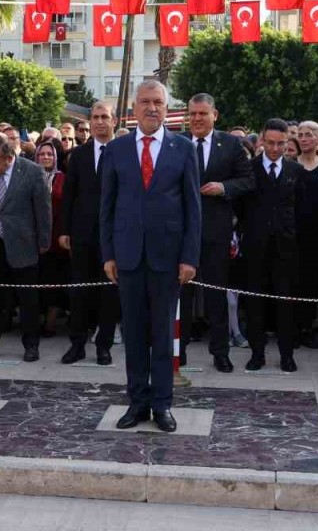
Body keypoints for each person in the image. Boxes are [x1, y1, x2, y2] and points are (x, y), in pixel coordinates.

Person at [100, 80, 201, 433]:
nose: (152, 108)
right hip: (127, 258)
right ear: (133, 107)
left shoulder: (183, 148)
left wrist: (189, 257)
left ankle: (162, 405)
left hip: (167, 259)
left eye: (158, 102)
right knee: (134, 333)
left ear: (166, 106)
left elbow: (193, 207)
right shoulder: (117, 149)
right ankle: (137, 403)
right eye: (145, 102)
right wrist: (108, 253)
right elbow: (107, 208)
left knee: (162, 334)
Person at [180, 93, 253, 373]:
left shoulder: (231, 144)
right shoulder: (178, 142)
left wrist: (224, 188)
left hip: (216, 232)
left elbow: (248, 180)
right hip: (183, 232)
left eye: (203, 113)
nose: (197, 119)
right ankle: (179, 349)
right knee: (182, 295)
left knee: (216, 296)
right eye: (193, 114)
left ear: (215, 115)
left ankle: (220, 352)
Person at [0, 135, 51, 361]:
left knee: (27, 299)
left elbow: (43, 210)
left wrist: (43, 241)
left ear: (9, 158)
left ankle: (31, 345)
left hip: (23, 244)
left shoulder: (31, 172)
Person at [241, 119, 304, 372]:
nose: (275, 148)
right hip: (256, 247)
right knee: (255, 302)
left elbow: (301, 208)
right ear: (261, 142)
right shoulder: (249, 169)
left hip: (286, 248)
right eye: (270, 143)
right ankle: (257, 354)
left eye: (281, 143)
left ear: (287, 142)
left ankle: (287, 355)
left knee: (285, 303)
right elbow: (242, 206)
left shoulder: (294, 170)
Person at [59, 101, 119, 366]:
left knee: (109, 293)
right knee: (80, 291)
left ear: (114, 121)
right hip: (82, 235)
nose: (99, 122)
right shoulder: (80, 155)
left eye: (104, 117)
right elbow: (69, 195)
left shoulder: (124, 152)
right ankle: (77, 344)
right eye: (95, 117)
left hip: (115, 235)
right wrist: (65, 230)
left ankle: (103, 345)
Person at [294, 121, 318, 348]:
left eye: (308, 134)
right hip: (295, 232)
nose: (304, 138)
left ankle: (308, 327)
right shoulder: (292, 165)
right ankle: (294, 327)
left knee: (312, 281)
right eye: (300, 135)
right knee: (295, 281)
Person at [34, 140, 67, 336]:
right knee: (36, 281)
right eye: (41, 154)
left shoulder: (64, 178)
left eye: (49, 154)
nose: (45, 157)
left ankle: (51, 322)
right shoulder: (28, 176)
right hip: (33, 238)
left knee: (54, 281)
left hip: (57, 239)